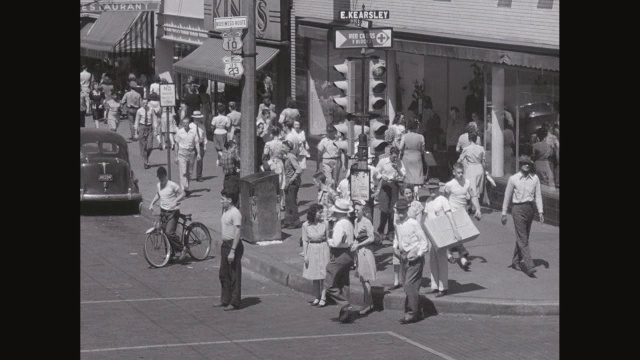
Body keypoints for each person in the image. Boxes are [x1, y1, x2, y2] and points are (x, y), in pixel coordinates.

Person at [501, 155, 544, 278]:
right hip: (517, 209)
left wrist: (540, 211)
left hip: (530, 209)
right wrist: (504, 213)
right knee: (523, 238)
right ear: (520, 165)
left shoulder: (535, 178)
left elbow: (538, 195)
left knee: (523, 237)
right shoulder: (513, 179)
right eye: (524, 163)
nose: (527, 165)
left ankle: (515, 261)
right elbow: (507, 196)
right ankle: (529, 266)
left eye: (529, 164)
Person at [393, 199, 430, 324]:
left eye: (403, 211)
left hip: (414, 258)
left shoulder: (413, 223)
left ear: (407, 210)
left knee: (409, 284)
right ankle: (417, 311)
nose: (401, 213)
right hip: (403, 257)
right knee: (407, 285)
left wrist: (418, 254)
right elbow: (397, 237)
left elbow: (424, 241)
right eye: (399, 211)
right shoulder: (397, 223)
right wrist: (395, 248)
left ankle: (412, 313)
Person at [423, 182, 462, 297]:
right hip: (431, 233)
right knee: (432, 260)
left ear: (438, 188)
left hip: (441, 233)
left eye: (434, 188)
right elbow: (426, 217)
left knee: (442, 260)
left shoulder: (443, 200)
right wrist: (425, 233)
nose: (432, 191)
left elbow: (450, 215)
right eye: (430, 189)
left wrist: (455, 231)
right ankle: (434, 286)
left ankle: (443, 287)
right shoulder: (428, 201)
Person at [444, 162, 482, 271]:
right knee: (457, 235)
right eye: (458, 173)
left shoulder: (467, 183)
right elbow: (444, 199)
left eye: (462, 173)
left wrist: (478, 209)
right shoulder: (449, 185)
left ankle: (451, 252)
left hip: (463, 212)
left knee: (461, 235)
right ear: (454, 172)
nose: (460, 175)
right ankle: (462, 257)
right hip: (452, 212)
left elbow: (473, 196)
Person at [323, 199, 356, 322]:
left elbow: (336, 242)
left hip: (339, 254)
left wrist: (329, 241)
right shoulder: (348, 222)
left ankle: (345, 304)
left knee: (329, 282)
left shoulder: (340, 224)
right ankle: (345, 313)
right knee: (344, 282)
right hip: (349, 253)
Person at [148, 166, 188, 260]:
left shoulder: (172, 185)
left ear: (166, 176)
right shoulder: (158, 185)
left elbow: (183, 193)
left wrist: (176, 200)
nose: (160, 179)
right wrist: (152, 203)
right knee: (164, 233)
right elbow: (158, 194)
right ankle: (170, 253)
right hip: (163, 211)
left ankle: (183, 249)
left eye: (162, 177)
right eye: (159, 178)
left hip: (173, 212)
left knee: (169, 232)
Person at [213, 190, 244, 311]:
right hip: (225, 245)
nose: (221, 201)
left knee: (234, 274)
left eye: (223, 199)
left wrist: (233, 250)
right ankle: (225, 299)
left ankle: (235, 301)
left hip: (233, 245)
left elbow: (237, 233)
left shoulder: (235, 213)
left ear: (230, 200)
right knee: (224, 273)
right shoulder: (225, 211)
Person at [389, 186, 424, 290]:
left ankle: (413, 281)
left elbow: (419, 222)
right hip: (400, 232)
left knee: (411, 260)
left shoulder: (417, 205)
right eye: (407, 193)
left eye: (410, 193)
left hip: (412, 234)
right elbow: (395, 221)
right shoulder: (398, 205)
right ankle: (396, 281)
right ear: (402, 195)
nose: (409, 195)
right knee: (396, 258)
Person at [373, 146, 406, 241]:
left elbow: (403, 175)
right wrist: (382, 177)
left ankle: (391, 232)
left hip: (394, 184)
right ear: (390, 155)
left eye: (397, 157)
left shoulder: (399, 163)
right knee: (384, 209)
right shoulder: (383, 162)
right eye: (393, 157)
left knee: (393, 210)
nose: (395, 159)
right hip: (384, 185)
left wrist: (398, 169)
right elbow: (376, 172)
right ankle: (381, 231)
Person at [301, 204, 330, 307]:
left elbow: (327, 238)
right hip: (312, 249)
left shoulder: (325, 223)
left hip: (323, 248)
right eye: (319, 212)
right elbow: (305, 241)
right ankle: (316, 296)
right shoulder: (305, 225)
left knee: (323, 274)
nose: (321, 214)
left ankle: (323, 297)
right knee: (315, 274)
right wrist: (305, 255)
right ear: (313, 213)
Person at [351, 202, 377, 315]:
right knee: (362, 278)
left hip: (366, 251)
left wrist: (359, 245)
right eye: (355, 210)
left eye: (358, 210)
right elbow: (356, 236)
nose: (356, 212)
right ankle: (368, 302)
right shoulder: (356, 221)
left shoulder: (367, 222)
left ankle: (368, 303)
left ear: (363, 211)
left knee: (365, 278)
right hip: (359, 252)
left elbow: (371, 238)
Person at [174, 117, 201, 197]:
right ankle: (183, 190)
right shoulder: (180, 132)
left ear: (189, 123)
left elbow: (196, 143)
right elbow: (176, 144)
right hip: (182, 153)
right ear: (182, 124)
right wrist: (176, 156)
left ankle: (186, 189)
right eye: (184, 123)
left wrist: (198, 153)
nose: (185, 124)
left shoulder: (193, 132)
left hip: (191, 153)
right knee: (183, 172)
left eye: (187, 123)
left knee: (189, 172)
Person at [458, 131, 486, 208]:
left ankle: (473, 207)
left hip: (471, 168)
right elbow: (483, 161)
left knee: (470, 187)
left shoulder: (466, 149)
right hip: (480, 168)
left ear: (469, 139)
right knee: (477, 188)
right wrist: (485, 171)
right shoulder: (481, 148)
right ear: (476, 139)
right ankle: (474, 206)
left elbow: (459, 160)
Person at [399, 119, 425, 198]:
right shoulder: (421, 137)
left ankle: (408, 196)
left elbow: (400, 148)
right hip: (417, 157)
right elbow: (423, 149)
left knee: (408, 177)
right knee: (416, 178)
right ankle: (416, 195)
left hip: (407, 157)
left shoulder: (405, 136)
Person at [282, 140, 303, 229]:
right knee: (287, 202)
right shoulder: (286, 157)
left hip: (292, 183)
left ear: (288, 148)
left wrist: (291, 179)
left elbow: (299, 169)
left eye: (283, 147)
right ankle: (288, 220)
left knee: (292, 202)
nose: (282, 148)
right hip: (287, 182)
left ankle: (295, 221)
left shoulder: (291, 157)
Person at [134, 99, 154, 169]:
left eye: (146, 103)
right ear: (142, 104)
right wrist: (136, 132)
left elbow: (153, 119)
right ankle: (145, 162)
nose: (145, 104)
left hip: (149, 127)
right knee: (143, 146)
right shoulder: (139, 111)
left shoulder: (151, 110)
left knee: (150, 146)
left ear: (148, 103)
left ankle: (146, 158)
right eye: (143, 103)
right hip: (142, 127)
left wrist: (155, 129)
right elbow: (136, 121)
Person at [190, 111, 208, 182]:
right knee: (191, 161)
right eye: (196, 118)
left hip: (200, 144)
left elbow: (204, 136)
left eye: (198, 118)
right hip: (192, 144)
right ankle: (189, 175)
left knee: (200, 161)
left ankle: (199, 176)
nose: (197, 120)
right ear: (193, 118)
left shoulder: (202, 126)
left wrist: (205, 146)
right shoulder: (190, 126)